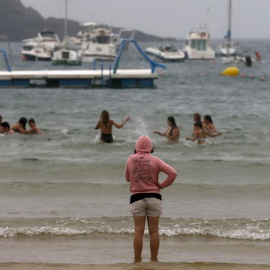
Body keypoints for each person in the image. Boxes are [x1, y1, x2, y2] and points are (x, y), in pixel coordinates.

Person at [125, 135, 177, 262]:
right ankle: (154, 259)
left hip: (137, 198)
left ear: (136, 146)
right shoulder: (156, 160)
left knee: (138, 231)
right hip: (154, 198)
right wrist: (162, 185)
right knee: (154, 231)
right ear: (150, 147)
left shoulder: (131, 158)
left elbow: (127, 178)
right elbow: (173, 173)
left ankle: (137, 259)